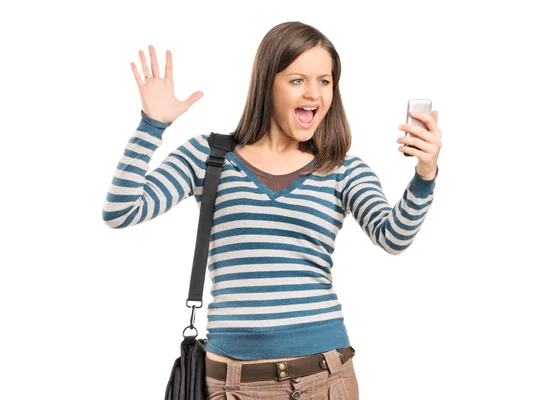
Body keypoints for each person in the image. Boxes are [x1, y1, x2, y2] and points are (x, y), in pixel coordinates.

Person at [102, 21, 441, 400]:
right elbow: (121, 210)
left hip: (326, 378)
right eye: (298, 80)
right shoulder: (210, 157)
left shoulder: (342, 168)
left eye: (325, 81)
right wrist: (152, 126)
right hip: (233, 385)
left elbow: (392, 236)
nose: (314, 93)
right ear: (268, 83)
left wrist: (425, 175)